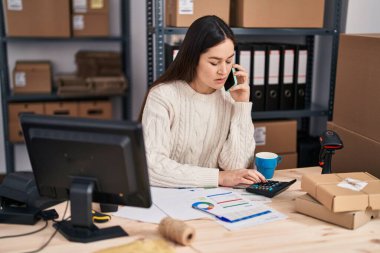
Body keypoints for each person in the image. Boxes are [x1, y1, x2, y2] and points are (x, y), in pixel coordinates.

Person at [141, 15, 266, 188]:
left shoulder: (230, 96)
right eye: (214, 63)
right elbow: (152, 167)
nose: (223, 70)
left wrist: (242, 107)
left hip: (215, 199)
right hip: (169, 197)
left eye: (229, 61)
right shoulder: (163, 96)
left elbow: (236, 168)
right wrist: (219, 178)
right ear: (193, 59)